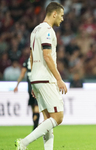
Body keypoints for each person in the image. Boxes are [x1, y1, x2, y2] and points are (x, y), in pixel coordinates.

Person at [15, 2, 67, 150]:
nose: (62, 19)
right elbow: (47, 56)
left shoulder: (35, 30)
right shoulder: (47, 31)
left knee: (47, 121)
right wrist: (59, 79)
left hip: (37, 79)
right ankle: (24, 143)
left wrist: (32, 81)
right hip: (46, 79)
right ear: (54, 13)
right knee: (58, 118)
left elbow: (31, 57)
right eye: (61, 16)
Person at [14, 58, 40, 130]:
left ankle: (35, 127)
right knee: (36, 107)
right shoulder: (39, 59)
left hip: (30, 88)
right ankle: (35, 127)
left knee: (33, 107)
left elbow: (22, 74)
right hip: (37, 86)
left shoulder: (27, 61)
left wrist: (17, 85)